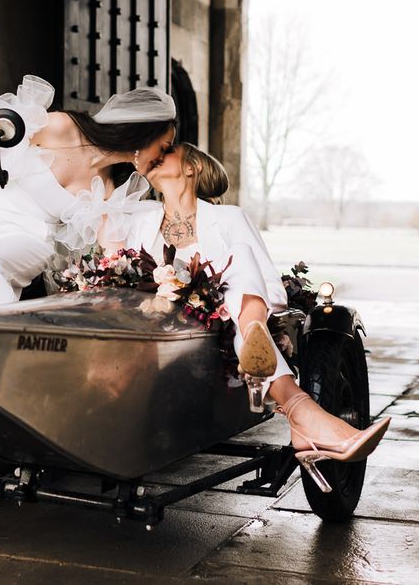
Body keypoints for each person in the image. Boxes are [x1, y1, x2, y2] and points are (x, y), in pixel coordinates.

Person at [125, 142, 390, 477]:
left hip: (217, 331)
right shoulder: (140, 222)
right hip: (154, 330)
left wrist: (213, 300)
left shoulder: (229, 218)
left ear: (192, 168)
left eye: (170, 150)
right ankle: (303, 416)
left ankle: (254, 340)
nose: (158, 154)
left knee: (239, 260)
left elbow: (271, 289)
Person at [0, 75, 177, 309]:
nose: (162, 158)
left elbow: (115, 253)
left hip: (26, 241)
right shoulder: (62, 127)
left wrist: (153, 282)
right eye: (164, 148)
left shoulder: (109, 189)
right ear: (145, 135)